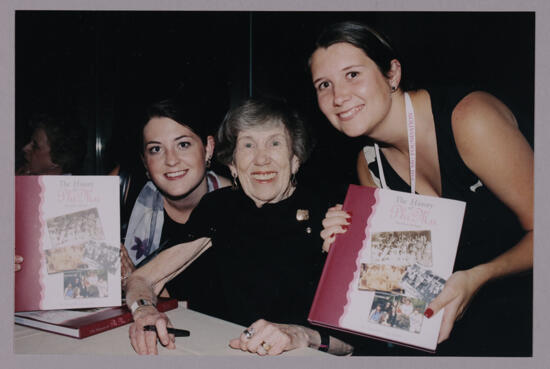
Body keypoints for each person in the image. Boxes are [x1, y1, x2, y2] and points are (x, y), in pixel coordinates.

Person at [310, 21, 533, 356]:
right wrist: (352, 253)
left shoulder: (469, 120)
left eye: (352, 74)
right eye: (323, 84)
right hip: (462, 331)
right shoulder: (369, 164)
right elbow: (405, 285)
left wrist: (479, 277)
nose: (338, 96)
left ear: (392, 74)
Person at [124, 97, 353, 356]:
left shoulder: (330, 215)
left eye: (275, 143)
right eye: (248, 145)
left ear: (295, 158)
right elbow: (142, 278)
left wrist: (300, 335)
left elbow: (350, 343)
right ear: (232, 163)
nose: (261, 159)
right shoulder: (220, 207)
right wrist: (144, 311)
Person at [120, 97, 231, 289]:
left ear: (208, 148)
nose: (171, 160)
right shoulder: (123, 195)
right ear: (145, 161)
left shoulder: (238, 203)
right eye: (155, 149)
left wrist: (137, 280)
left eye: (183, 145)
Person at [15, 113, 87, 272]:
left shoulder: (74, 202)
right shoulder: (24, 185)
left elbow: (70, 266)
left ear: (58, 157)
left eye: (35, 145)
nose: (25, 148)